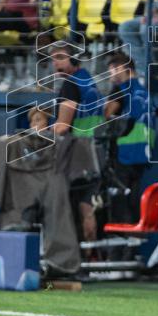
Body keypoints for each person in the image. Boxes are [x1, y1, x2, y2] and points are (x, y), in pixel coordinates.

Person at [51, 41, 104, 243]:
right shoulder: (87, 79)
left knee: (79, 209)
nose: (55, 63)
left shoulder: (71, 84)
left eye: (60, 58)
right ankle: (91, 254)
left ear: (74, 59)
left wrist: (38, 132)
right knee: (88, 208)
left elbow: (62, 126)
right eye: (53, 59)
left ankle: (78, 254)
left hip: (79, 157)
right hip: (94, 153)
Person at [103, 51, 152, 220]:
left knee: (121, 205)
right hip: (142, 155)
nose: (111, 76)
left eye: (112, 71)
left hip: (124, 154)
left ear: (122, 69)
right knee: (134, 202)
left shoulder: (121, 90)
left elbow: (106, 114)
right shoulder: (144, 92)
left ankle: (122, 236)